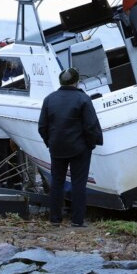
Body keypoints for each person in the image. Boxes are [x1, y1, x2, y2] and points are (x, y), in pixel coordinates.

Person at [38, 67, 103, 227]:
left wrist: (50, 142)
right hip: (79, 148)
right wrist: (90, 144)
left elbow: (42, 126)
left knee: (57, 183)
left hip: (57, 148)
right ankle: (77, 220)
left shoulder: (49, 99)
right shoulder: (83, 99)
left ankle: (55, 219)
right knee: (78, 183)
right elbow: (90, 126)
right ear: (76, 82)